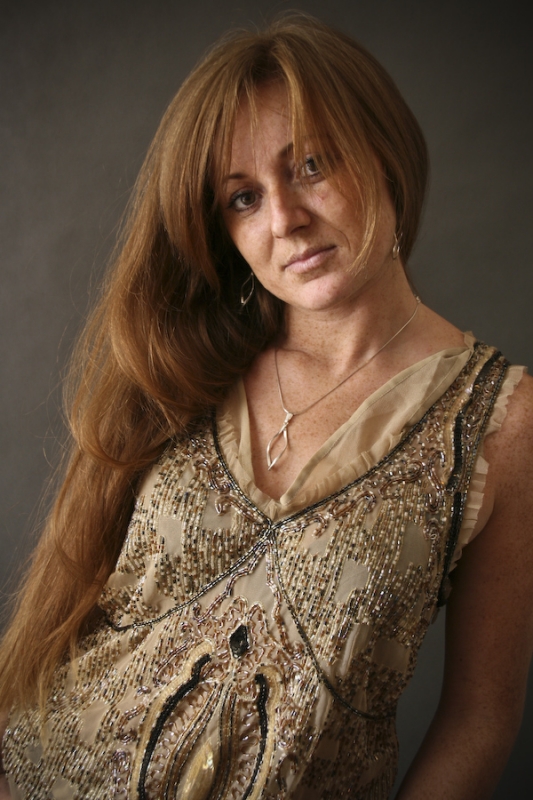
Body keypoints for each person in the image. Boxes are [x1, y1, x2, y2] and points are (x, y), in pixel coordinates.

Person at [1, 13, 532, 800]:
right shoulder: (189, 361)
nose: (284, 219)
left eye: (310, 165)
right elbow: (69, 612)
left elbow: (479, 719)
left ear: (384, 154)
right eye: (243, 198)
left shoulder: (501, 422)